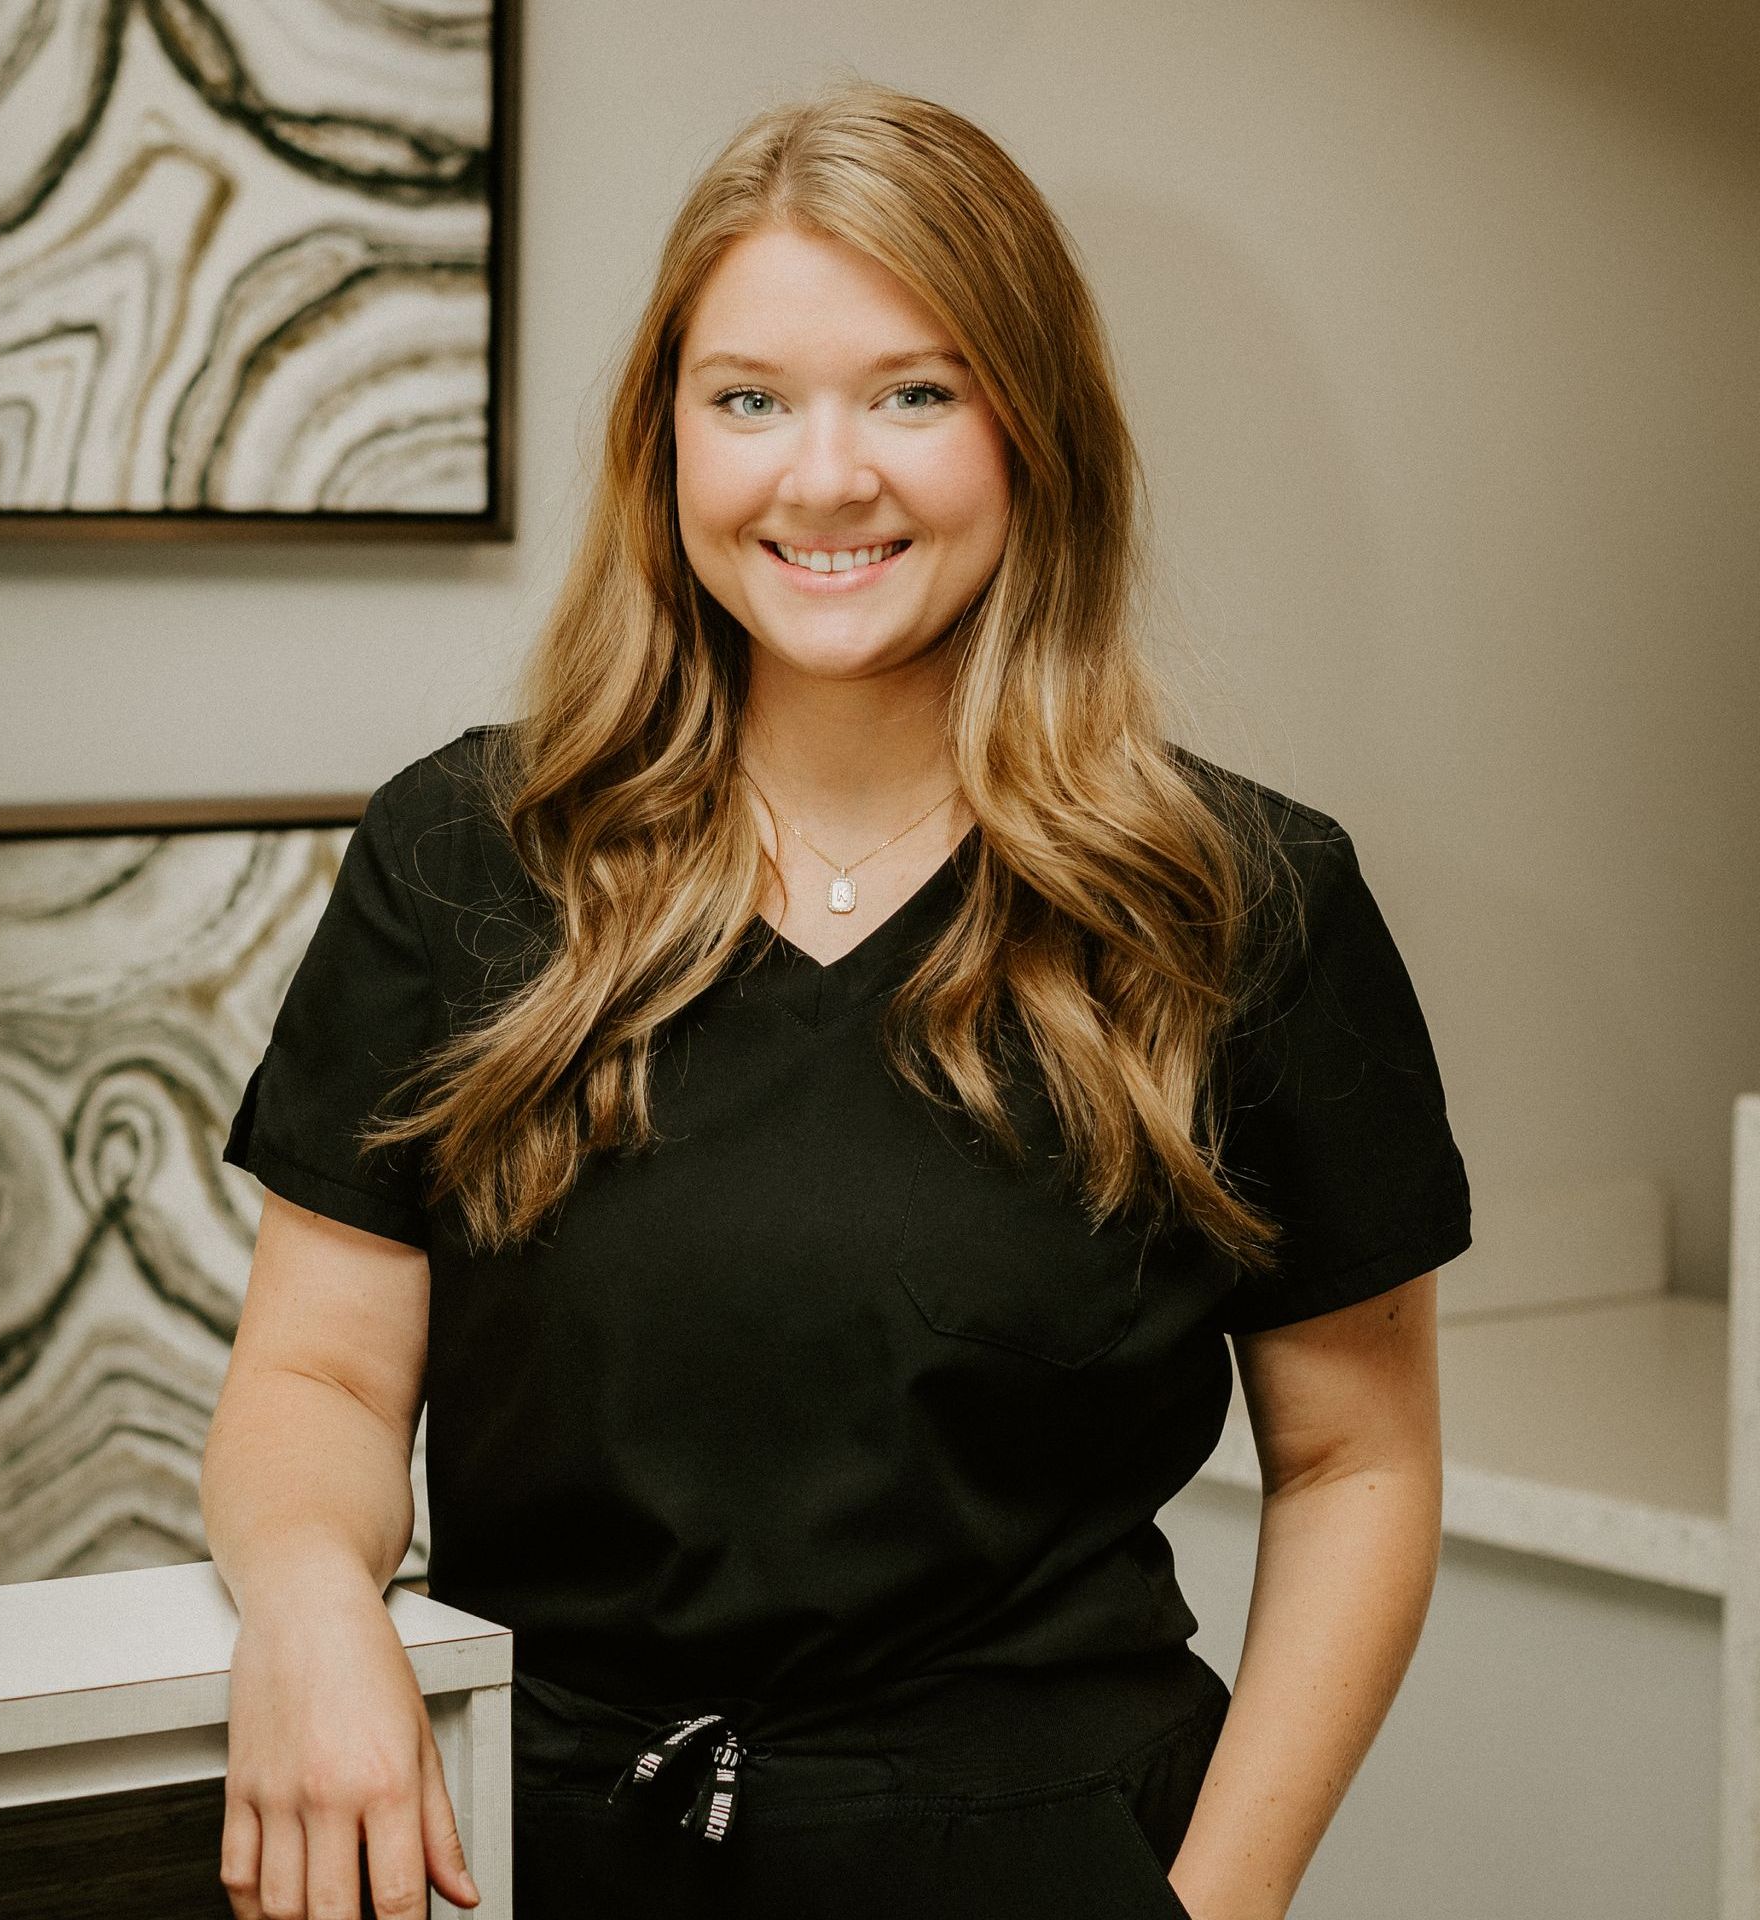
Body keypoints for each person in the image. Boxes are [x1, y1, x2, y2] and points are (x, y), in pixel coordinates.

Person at [201, 79, 1472, 1920]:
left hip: (1047, 1861)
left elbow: (1358, 1462)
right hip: (527, 1853)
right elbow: (314, 1373)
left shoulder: (1241, 901)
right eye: (749, 400)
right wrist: (314, 1607)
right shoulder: (467, 853)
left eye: (915, 392)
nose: (823, 476)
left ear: (1035, 432)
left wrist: (1219, 1905)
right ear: (666, 447)